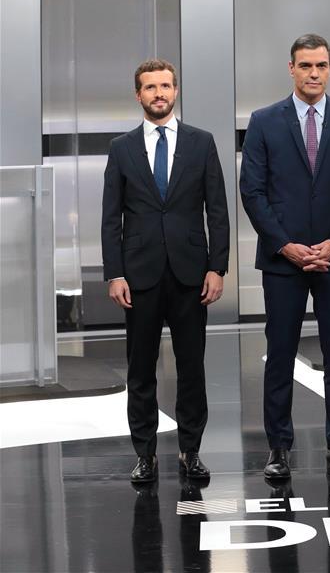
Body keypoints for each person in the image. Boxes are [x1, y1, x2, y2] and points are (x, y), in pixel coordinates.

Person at [240, 34, 330, 478]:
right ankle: (279, 448)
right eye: (305, 65)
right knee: (280, 355)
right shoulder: (263, 121)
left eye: (320, 65)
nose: (313, 73)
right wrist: (286, 245)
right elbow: (252, 192)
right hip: (283, 261)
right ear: (291, 68)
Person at [101, 59, 230, 482]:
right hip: (139, 275)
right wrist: (115, 273)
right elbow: (110, 217)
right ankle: (145, 454)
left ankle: (191, 451)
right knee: (140, 370)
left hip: (191, 273)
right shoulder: (121, 148)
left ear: (176, 91)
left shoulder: (201, 142)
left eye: (166, 86)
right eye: (150, 87)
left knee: (192, 368)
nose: (159, 93)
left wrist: (217, 267)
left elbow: (218, 210)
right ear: (138, 94)